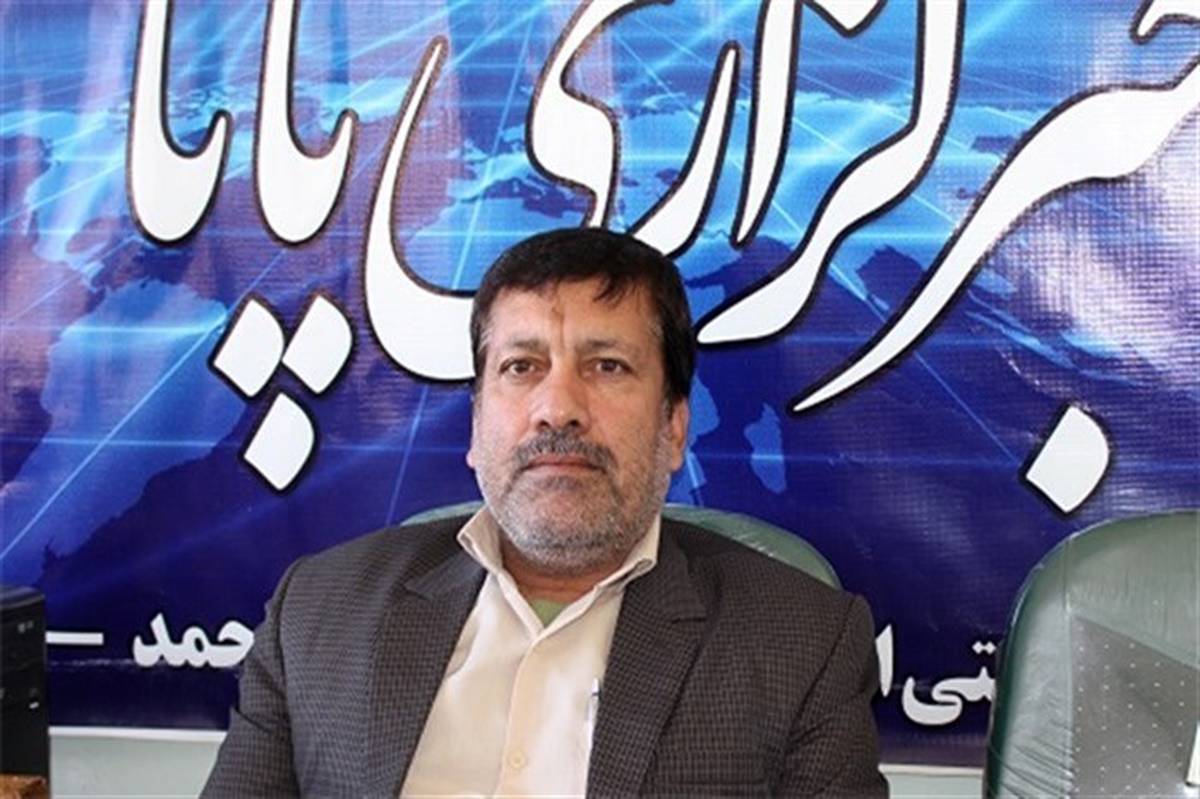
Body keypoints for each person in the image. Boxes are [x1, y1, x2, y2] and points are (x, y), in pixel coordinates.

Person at [203, 228, 886, 796]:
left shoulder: (803, 644)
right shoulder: (316, 613)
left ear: (674, 427)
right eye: (522, 366)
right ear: (476, 425)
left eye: (607, 365)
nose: (557, 408)